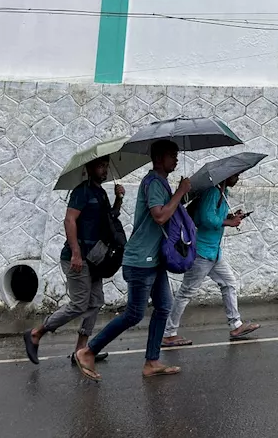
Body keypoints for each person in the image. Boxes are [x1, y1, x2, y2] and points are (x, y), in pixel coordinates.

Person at [73, 139, 190, 380]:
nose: (176, 159)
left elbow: (168, 214)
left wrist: (181, 194)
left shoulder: (161, 183)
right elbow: (159, 216)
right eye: (172, 155)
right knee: (134, 313)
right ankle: (88, 351)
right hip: (140, 260)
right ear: (159, 158)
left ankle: (152, 361)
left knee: (164, 306)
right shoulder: (154, 182)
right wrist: (180, 192)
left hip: (153, 259)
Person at [22, 155, 124, 365]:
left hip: (95, 259)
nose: (104, 170)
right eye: (100, 166)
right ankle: (36, 334)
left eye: (106, 166)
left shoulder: (101, 193)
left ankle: (81, 350)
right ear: (90, 167)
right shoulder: (81, 192)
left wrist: (119, 199)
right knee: (79, 304)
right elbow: (70, 219)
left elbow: (109, 219)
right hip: (77, 258)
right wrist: (76, 253)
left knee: (95, 302)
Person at [162, 173, 260, 346]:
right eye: (235, 175)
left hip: (214, 253)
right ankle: (169, 333)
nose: (238, 178)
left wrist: (230, 216)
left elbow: (214, 216)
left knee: (229, 283)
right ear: (226, 176)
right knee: (186, 293)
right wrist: (229, 223)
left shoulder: (223, 193)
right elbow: (204, 219)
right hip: (202, 252)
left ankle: (236, 325)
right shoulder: (213, 192)